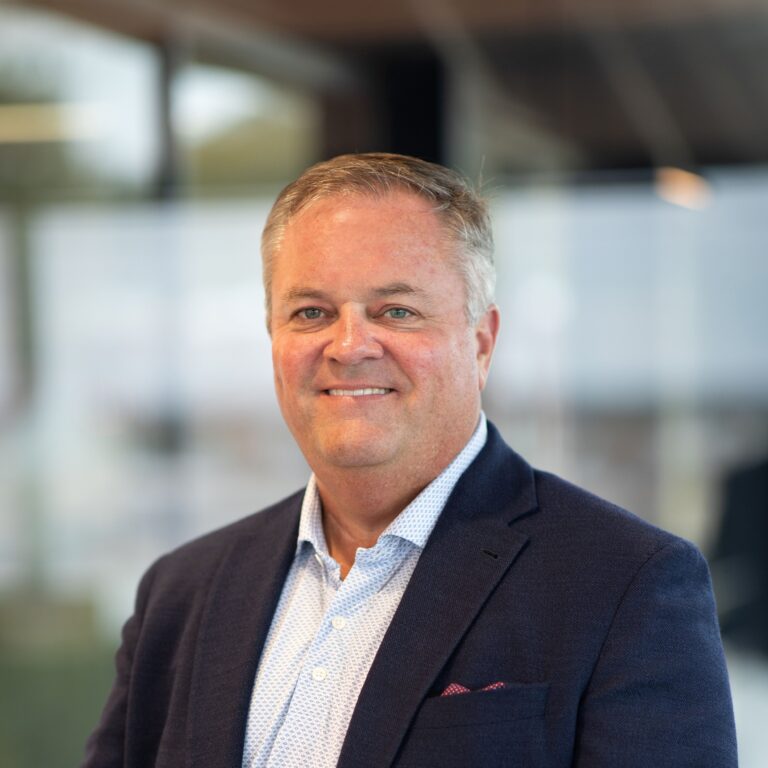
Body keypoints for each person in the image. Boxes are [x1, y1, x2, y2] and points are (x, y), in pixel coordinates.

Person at [83, 153, 737, 767]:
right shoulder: (183, 593)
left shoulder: (624, 585)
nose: (349, 345)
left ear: (481, 343)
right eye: (311, 312)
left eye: (396, 310)